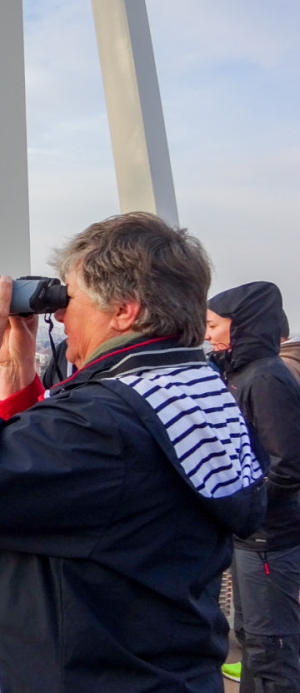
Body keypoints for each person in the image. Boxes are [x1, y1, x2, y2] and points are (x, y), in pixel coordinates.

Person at [0, 212, 267, 692]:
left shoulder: (108, 423)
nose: (59, 314)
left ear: (124, 311)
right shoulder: (182, 392)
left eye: (68, 297)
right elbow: (56, 488)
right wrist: (17, 376)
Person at [207, 282, 300, 692]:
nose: (208, 334)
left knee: (271, 648)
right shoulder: (242, 372)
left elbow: (288, 463)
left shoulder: (265, 378)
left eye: (213, 325)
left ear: (239, 325)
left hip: (270, 539)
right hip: (251, 537)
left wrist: (250, 507)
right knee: (251, 641)